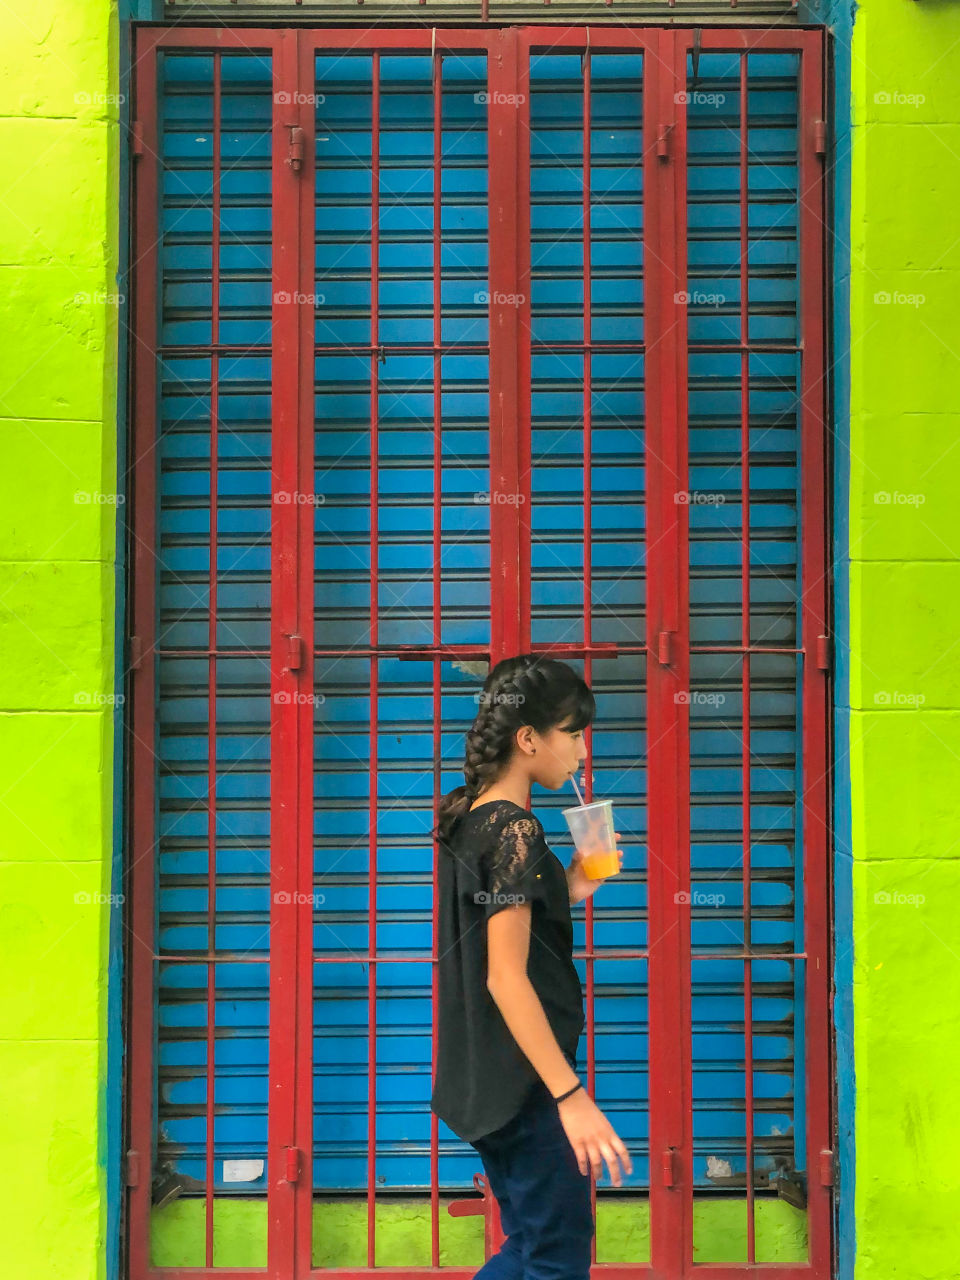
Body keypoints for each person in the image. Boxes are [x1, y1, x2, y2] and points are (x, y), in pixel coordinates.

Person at [430, 653, 633, 1279]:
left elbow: (513, 911)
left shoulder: (472, 814)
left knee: (528, 1247)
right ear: (528, 739)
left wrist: (579, 876)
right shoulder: (514, 830)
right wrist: (570, 1097)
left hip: (485, 1076)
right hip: (526, 1085)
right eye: (571, 733)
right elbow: (505, 974)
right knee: (558, 1257)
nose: (579, 750)